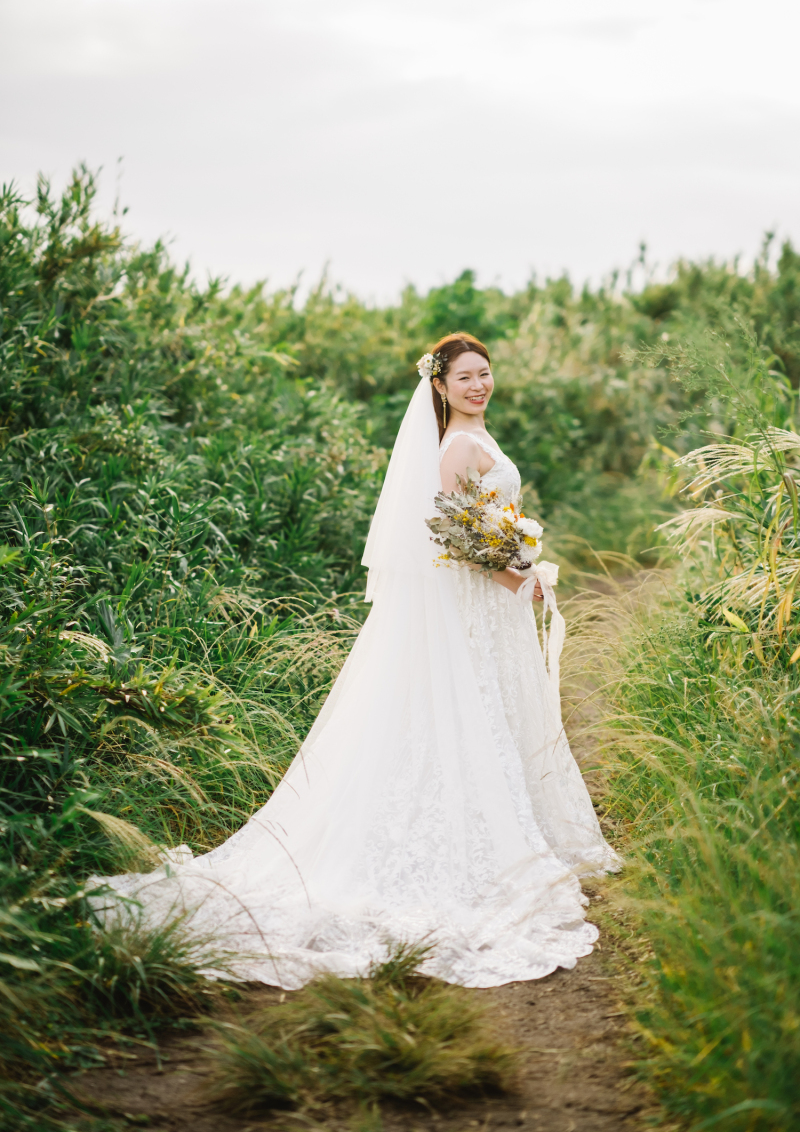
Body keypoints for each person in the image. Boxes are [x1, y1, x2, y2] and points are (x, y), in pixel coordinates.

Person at [94, 332, 619, 989]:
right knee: (468, 717)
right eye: (465, 378)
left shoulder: (475, 439)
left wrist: (519, 557)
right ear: (439, 385)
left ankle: (508, 833)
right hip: (476, 605)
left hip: (489, 607)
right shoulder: (456, 445)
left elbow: (480, 522)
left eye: (485, 374)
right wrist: (521, 571)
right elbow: (456, 535)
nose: (479, 385)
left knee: (490, 716)